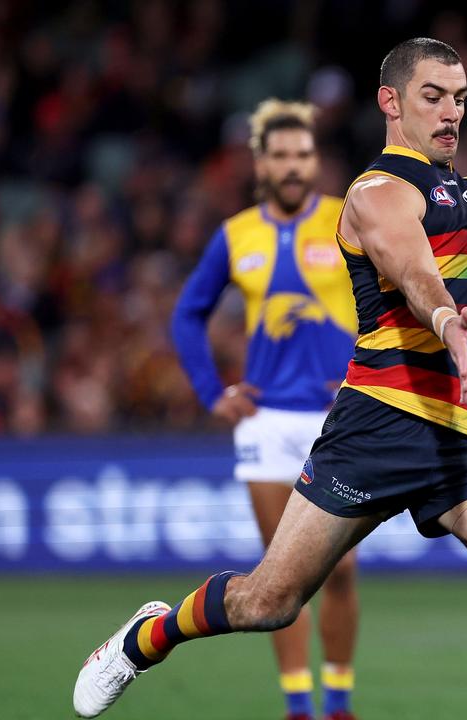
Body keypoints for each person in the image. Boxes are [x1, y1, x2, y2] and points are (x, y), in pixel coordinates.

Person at [73, 37, 467, 720]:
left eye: (459, 97)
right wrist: (445, 319)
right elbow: (407, 259)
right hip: (378, 427)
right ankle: (149, 635)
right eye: (433, 96)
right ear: (390, 103)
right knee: (269, 601)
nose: (451, 111)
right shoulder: (375, 192)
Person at [169, 99, 361, 720]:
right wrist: (211, 392)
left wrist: (371, 372)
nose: (293, 166)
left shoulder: (347, 219)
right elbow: (187, 315)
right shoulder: (236, 234)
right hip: (266, 422)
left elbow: (396, 293)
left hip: (340, 418)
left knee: (343, 572)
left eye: (303, 154)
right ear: (261, 163)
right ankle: (300, 707)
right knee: (281, 578)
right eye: (281, 155)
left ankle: (338, 699)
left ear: (316, 160)